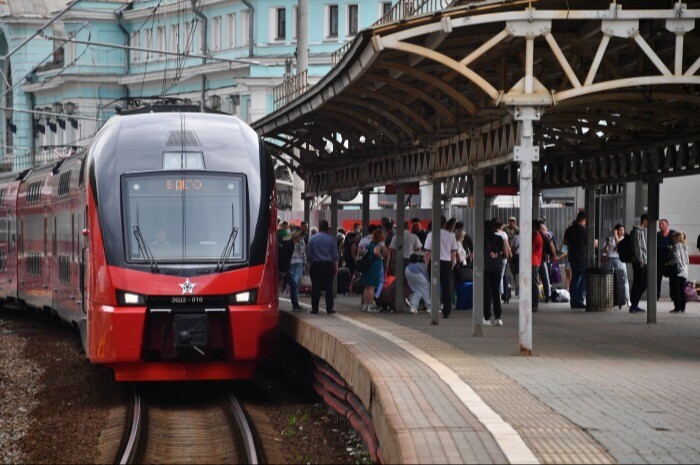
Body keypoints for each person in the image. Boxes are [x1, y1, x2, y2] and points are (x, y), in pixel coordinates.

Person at [424, 215, 457, 319]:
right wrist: (452, 265)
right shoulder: (451, 235)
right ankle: (447, 311)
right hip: (446, 263)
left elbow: (427, 253)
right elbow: (453, 253)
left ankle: (434, 309)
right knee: (446, 287)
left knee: (434, 287)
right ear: (444, 223)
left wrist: (426, 265)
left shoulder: (431, 234)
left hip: (434, 263)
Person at [306, 220, 339, 314]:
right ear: (327, 228)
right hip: (328, 265)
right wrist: (336, 267)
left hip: (316, 265)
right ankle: (329, 308)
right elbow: (335, 255)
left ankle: (315, 309)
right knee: (329, 287)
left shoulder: (312, 239)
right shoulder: (331, 239)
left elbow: (309, 255)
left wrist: (310, 265)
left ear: (319, 227)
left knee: (316, 287)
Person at [563, 210, 588, 309]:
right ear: (584, 220)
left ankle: (573, 301)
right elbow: (590, 243)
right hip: (582, 257)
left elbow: (565, 243)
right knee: (583, 278)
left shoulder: (569, 229)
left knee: (575, 278)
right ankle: (579, 300)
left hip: (572, 257)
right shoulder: (584, 230)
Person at [483, 220, 505, 326]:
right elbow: (502, 252)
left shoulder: (482, 238)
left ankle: (487, 318)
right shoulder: (499, 238)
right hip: (496, 267)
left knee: (486, 293)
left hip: (485, 268)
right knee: (496, 292)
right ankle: (498, 317)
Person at [603, 224, 631, 307]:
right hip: (610, 259)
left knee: (624, 278)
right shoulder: (610, 239)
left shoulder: (624, 239)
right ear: (616, 230)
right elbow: (605, 250)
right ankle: (609, 299)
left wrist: (616, 237)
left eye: (623, 229)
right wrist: (608, 244)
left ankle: (627, 299)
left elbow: (618, 248)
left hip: (620, 259)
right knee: (609, 279)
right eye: (620, 230)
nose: (622, 231)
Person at [361, 228, 386, 313]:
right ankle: (370, 306)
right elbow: (376, 252)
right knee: (372, 287)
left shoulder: (369, 244)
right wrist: (381, 257)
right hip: (374, 268)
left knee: (367, 287)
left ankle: (365, 305)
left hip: (367, 267)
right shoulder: (377, 245)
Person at [629, 214, 649, 313]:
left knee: (643, 282)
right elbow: (637, 248)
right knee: (638, 282)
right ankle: (634, 304)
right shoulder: (636, 232)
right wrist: (641, 260)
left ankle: (634, 303)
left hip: (642, 261)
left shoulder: (642, 231)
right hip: (639, 262)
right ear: (644, 221)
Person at [667, 231, 689, 313]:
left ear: (677, 238)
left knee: (676, 290)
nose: (672, 239)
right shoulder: (685, 246)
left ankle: (677, 307)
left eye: (673, 237)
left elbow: (676, 257)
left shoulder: (676, 246)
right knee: (682, 290)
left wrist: (669, 263)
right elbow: (687, 260)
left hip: (677, 271)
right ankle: (683, 307)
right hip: (684, 271)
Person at [656, 219, 677, 300]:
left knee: (673, 280)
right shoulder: (657, 235)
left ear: (667, 225)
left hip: (671, 261)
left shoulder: (673, 233)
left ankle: (673, 296)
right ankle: (656, 296)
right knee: (658, 279)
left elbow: (676, 246)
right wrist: (667, 247)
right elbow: (656, 247)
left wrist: (666, 248)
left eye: (662, 224)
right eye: (659, 224)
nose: (660, 225)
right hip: (660, 260)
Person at [493, 219, 513, 298]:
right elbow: (507, 245)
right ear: (501, 226)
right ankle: (500, 295)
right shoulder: (504, 234)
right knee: (500, 276)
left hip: (493, 257)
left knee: (494, 276)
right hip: (503, 257)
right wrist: (510, 254)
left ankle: (494, 294)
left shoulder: (493, 233)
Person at [538, 221, 558, 303]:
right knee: (545, 277)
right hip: (543, 259)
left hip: (539, 259)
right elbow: (551, 246)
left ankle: (539, 295)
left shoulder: (542, 235)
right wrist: (554, 255)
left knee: (538, 278)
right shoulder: (546, 235)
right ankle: (547, 296)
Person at [289, 229, 306, 311]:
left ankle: (294, 301)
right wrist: (305, 262)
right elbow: (303, 252)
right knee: (296, 282)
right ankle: (295, 303)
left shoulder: (289, 240)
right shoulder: (301, 241)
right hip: (299, 261)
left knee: (294, 281)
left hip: (291, 262)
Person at [531, 220, 544, 312]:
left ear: (534, 227)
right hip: (535, 261)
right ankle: (534, 303)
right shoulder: (538, 236)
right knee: (533, 283)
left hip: (533, 262)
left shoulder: (536, 237)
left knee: (534, 284)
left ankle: (535, 304)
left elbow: (530, 248)